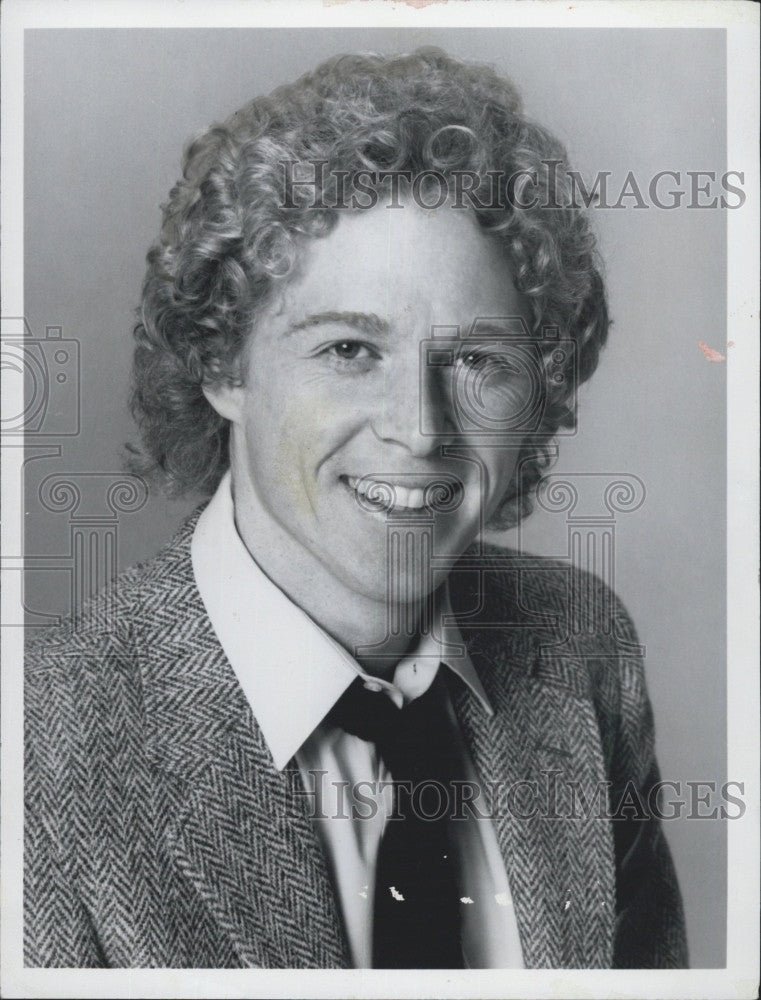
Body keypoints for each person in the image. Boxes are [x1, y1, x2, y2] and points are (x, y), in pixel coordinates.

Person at [24, 47, 687, 969]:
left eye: (475, 360)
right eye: (348, 350)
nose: (419, 432)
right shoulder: (39, 757)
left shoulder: (581, 646)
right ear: (222, 365)